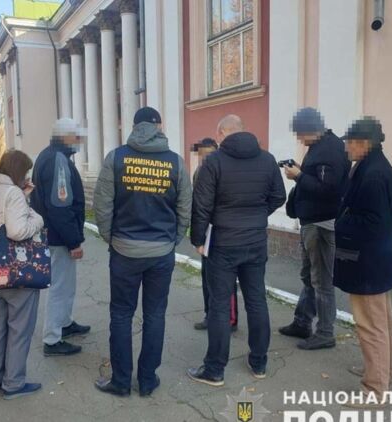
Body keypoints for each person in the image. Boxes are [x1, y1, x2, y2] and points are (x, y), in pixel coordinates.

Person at [92, 107, 192, 397]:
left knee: (121, 315)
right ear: (159, 126)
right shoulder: (175, 162)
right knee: (155, 314)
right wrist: (174, 239)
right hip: (161, 251)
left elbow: (102, 204)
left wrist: (111, 238)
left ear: (134, 126)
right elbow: (185, 206)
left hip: (124, 250)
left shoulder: (116, 158)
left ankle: (121, 382)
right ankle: (147, 380)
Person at [187, 115, 286, 386]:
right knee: (256, 300)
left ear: (221, 132)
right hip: (255, 242)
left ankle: (215, 369)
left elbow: (202, 206)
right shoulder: (267, 159)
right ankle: (259, 363)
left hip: (223, 243)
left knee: (219, 305)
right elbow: (279, 196)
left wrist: (198, 240)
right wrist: (257, 216)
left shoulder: (214, 162)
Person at [334, 117, 392, 408]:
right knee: (381, 322)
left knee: (371, 326)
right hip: (377, 260)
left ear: (364, 143)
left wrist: (341, 222)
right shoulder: (372, 165)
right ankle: (384, 373)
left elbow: (373, 223)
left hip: (368, 263)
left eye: (350, 142)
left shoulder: (373, 174)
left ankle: (374, 390)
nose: (346, 148)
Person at [278, 108, 350, 350]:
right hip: (313, 222)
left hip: (321, 225)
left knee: (321, 281)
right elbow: (321, 179)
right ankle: (302, 322)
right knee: (309, 277)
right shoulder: (322, 146)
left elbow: (328, 189)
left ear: (311, 129)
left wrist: (299, 176)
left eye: (300, 133)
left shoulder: (330, 149)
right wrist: (302, 171)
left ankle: (325, 333)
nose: (299, 139)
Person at [0, 149, 44, 400]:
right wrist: (37, 218)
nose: (27, 176)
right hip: (18, 271)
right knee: (19, 328)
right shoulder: (13, 193)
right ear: (18, 171)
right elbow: (17, 231)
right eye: (25, 172)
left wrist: (22, 198)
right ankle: (14, 383)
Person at [30, 118, 91, 357]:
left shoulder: (50, 155)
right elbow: (60, 205)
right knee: (59, 287)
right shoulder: (57, 160)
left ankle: (64, 324)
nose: (79, 140)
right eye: (76, 135)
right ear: (64, 136)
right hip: (58, 237)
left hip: (53, 234)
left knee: (66, 285)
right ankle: (52, 339)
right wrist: (73, 241)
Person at [191, 138, 239, 332]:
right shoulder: (198, 172)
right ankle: (210, 314)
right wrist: (198, 236)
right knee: (207, 276)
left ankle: (230, 319)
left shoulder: (224, 171)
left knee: (226, 278)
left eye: (209, 155)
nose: (205, 159)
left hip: (223, 232)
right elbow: (198, 205)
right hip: (207, 231)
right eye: (202, 155)